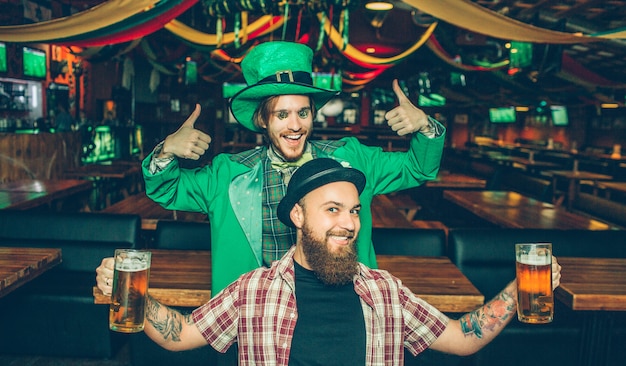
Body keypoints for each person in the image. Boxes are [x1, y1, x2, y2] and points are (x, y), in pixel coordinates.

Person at [128, 158, 562, 366]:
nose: (349, 223)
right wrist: (130, 293)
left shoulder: (385, 291)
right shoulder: (255, 290)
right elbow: (181, 335)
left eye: (354, 211)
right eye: (332, 209)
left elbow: (462, 339)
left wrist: (516, 291)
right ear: (298, 216)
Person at [96, 40, 446, 296]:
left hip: (338, 307)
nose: (295, 125)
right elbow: (165, 190)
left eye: (303, 112)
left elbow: (418, 168)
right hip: (254, 315)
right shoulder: (226, 173)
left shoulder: (352, 158)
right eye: (282, 114)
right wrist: (166, 151)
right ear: (263, 119)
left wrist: (425, 126)